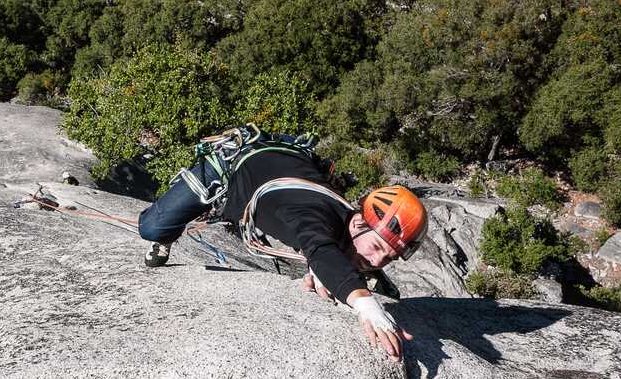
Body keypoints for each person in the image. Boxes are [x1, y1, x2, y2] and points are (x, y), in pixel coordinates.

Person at [137, 126, 428, 360]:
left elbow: (323, 250)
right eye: (376, 248)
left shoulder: (345, 222)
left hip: (288, 159)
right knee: (152, 227)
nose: (376, 261)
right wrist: (365, 304)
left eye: (388, 257)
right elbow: (319, 245)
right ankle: (167, 235)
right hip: (232, 166)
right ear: (357, 223)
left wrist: (323, 270)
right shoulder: (313, 213)